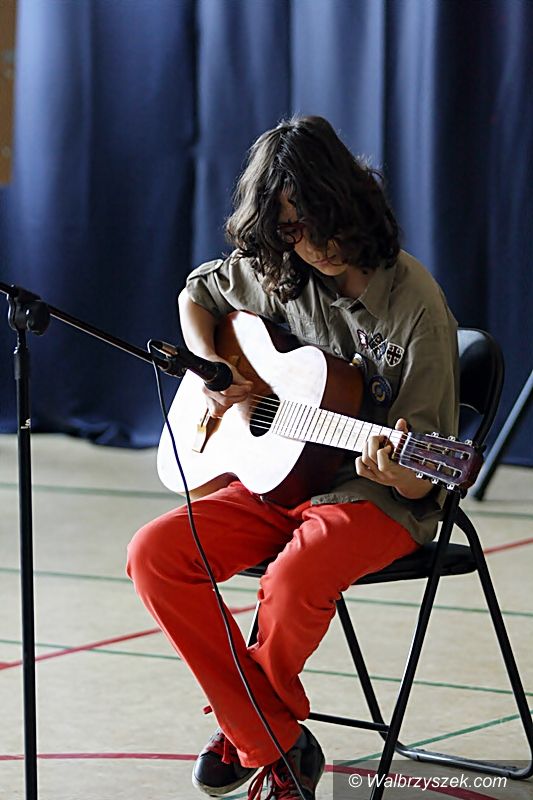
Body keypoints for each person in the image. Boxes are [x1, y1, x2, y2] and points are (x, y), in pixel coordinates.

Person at [127, 115, 459, 799]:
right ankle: (271, 736)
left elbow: (426, 478)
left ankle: (255, 736)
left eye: (321, 222)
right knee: (154, 554)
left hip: (375, 496)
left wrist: (395, 468)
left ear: (352, 203)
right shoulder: (280, 267)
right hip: (277, 478)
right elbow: (197, 295)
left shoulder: (416, 305)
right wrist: (217, 367)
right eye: (290, 229)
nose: (314, 244)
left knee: (293, 577)